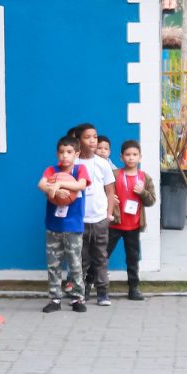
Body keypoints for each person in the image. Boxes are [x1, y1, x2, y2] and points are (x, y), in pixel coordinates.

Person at [38, 134, 90, 314]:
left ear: (77, 153)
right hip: (53, 226)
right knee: (53, 264)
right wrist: (52, 189)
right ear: (57, 154)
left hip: (73, 227)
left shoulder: (80, 170)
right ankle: (54, 298)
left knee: (75, 263)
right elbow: (41, 184)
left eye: (69, 152)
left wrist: (60, 185)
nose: (65, 156)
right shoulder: (51, 170)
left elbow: (81, 185)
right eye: (61, 152)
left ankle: (78, 298)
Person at [73, 123, 118, 306]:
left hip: (99, 219)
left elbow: (109, 191)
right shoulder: (73, 164)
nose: (92, 141)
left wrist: (108, 215)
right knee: (80, 259)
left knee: (100, 257)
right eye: (87, 137)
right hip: (79, 220)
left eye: (95, 137)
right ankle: (80, 293)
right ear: (78, 141)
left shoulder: (102, 164)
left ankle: (102, 292)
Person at [108, 139, 155, 301]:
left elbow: (151, 201)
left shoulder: (145, 178)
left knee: (133, 257)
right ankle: (90, 284)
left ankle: (134, 288)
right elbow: (103, 193)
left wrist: (142, 192)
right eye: (127, 155)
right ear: (121, 157)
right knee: (102, 255)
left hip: (134, 225)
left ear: (140, 157)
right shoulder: (114, 175)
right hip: (114, 223)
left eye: (134, 155)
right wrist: (109, 198)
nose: (131, 158)